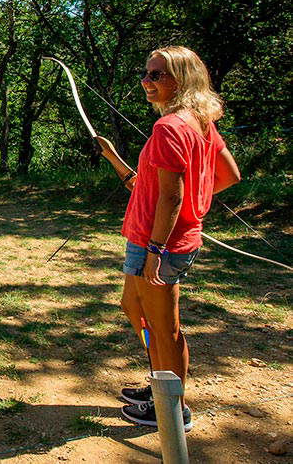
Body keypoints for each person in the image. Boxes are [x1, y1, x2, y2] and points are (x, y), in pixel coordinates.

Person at [96, 46, 240, 432]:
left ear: (184, 79)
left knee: (164, 326)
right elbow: (222, 177)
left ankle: (173, 410)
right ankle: (160, 384)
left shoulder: (171, 127)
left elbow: (173, 196)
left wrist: (159, 246)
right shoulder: (198, 122)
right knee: (134, 308)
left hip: (158, 244)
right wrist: (114, 158)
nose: (147, 81)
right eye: (145, 74)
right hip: (152, 238)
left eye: (157, 75)